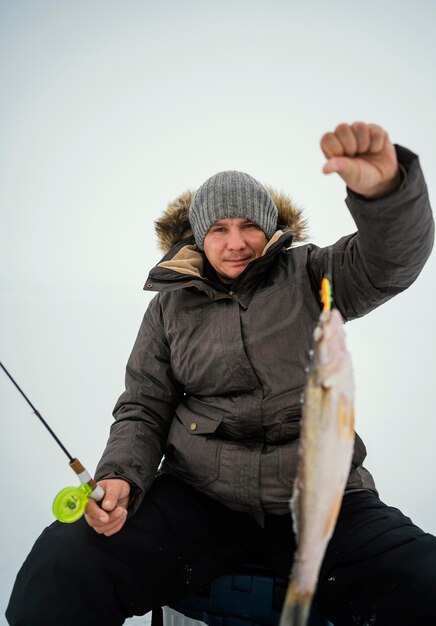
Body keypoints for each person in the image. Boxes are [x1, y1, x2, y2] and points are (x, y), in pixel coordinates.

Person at [6, 122, 436, 626]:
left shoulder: (313, 275)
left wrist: (386, 195)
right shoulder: (169, 308)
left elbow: (390, 260)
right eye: (219, 229)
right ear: (198, 235)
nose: (236, 243)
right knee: (59, 571)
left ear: (270, 228)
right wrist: (121, 475)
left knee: (424, 581)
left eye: (249, 225)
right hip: (199, 496)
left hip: (321, 497)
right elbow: (143, 407)